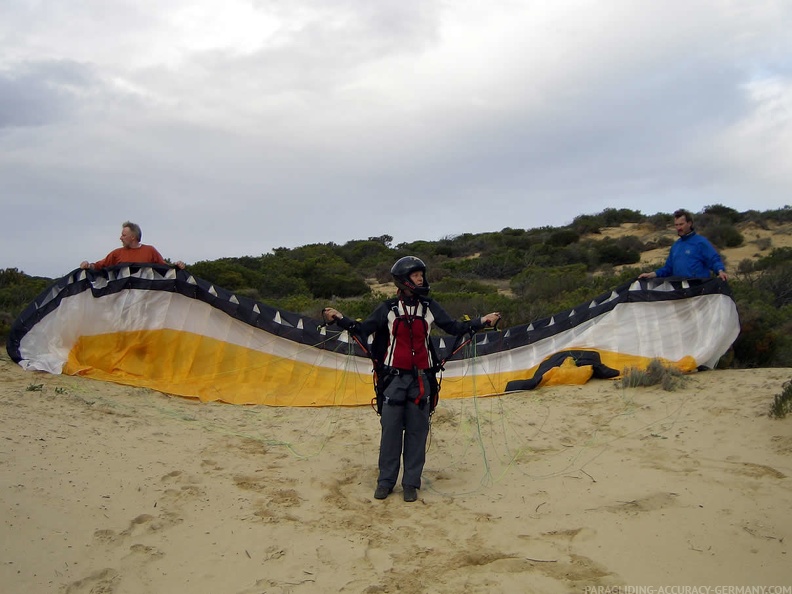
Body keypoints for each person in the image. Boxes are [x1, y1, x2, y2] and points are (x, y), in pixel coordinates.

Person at [323, 256, 501, 503]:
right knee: (391, 432)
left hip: (421, 382)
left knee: (417, 432)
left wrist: (482, 321)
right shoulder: (387, 308)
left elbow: (454, 328)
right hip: (393, 381)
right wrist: (339, 318)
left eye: (421, 275)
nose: (421, 279)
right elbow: (362, 330)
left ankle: (410, 484)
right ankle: (385, 482)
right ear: (405, 280)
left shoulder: (429, 307)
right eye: (417, 275)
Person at [638, 209, 727, 281]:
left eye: (681, 224)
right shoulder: (676, 246)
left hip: (699, 290)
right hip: (679, 291)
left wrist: (720, 271)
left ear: (689, 223)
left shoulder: (700, 242)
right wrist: (652, 274)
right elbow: (668, 268)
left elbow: (714, 259)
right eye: (676, 225)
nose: (678, 228)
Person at [79, 221, 186, 271]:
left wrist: (177, 266)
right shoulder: (117, 253)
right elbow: (99, 266)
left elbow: (165, 268)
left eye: (124, 235)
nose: (120, 238)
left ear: (133, 237)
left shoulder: (150, 251)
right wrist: (88, 265)